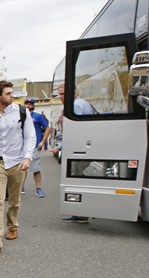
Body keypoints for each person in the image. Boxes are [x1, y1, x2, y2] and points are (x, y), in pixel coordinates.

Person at [0, 81, 36, 256]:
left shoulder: (21, 112)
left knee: (14, 199)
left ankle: (12, 225)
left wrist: (27, 157)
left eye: (12, 93)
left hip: (18, 162)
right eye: (8, 93)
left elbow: (30, 136)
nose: (12, 96)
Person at [49, 84, 90, 223]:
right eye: (59, 94)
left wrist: (59, 147)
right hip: (83, 147)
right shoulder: (81, 103)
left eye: (63, 94)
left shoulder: (75, 106)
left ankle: (81, 213)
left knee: (76, 180)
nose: (61, 97)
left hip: (79, 149)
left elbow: (75, 132)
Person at [23, 98, 52, 198]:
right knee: (21, 168)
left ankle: (38, 188)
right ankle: (21, 187)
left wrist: (43, 141)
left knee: (35, 168)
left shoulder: (38, 116)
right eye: (26, 103)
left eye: (30, 104)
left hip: (34, 146)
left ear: (33, 106)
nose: (28, 105)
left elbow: (48, 128)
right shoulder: (20, 116)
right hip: (22, 146)